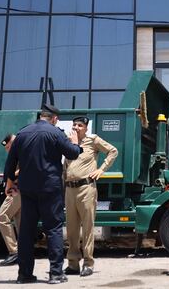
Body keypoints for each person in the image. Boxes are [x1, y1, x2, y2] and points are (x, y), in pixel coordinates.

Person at [3, 104, 82, 285]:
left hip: (27, 189)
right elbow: (72, 154)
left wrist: (9, 184)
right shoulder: (55, 133)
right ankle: (55, 274)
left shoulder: (22, 134)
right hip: (50, 189)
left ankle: (24, 275)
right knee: (53, 229)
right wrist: (76, 143)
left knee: (26, 231)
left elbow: (10, 164)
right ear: (53, 118)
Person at [64, 116, 118, 277]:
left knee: (87, 227)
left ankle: (88, 263)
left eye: (80, 125)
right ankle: (73, 264)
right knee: (71, 229)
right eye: (74, 125)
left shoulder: (92, 140)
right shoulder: (68, 142)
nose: (76, 127)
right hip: (69, 189)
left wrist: (101, 170)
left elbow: (112, 151)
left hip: (86, 188)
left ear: (86, 128)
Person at [0, 134, 20, 267]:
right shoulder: (19, 152)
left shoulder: (21, 152)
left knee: (2, 217)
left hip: (16, 190)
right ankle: (22, 253)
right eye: (6, 148)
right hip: (20, 190)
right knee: (20, 222)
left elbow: (22, 170)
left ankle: (14, 252)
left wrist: (9, 180)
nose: (8, 150)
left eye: (9, 147)